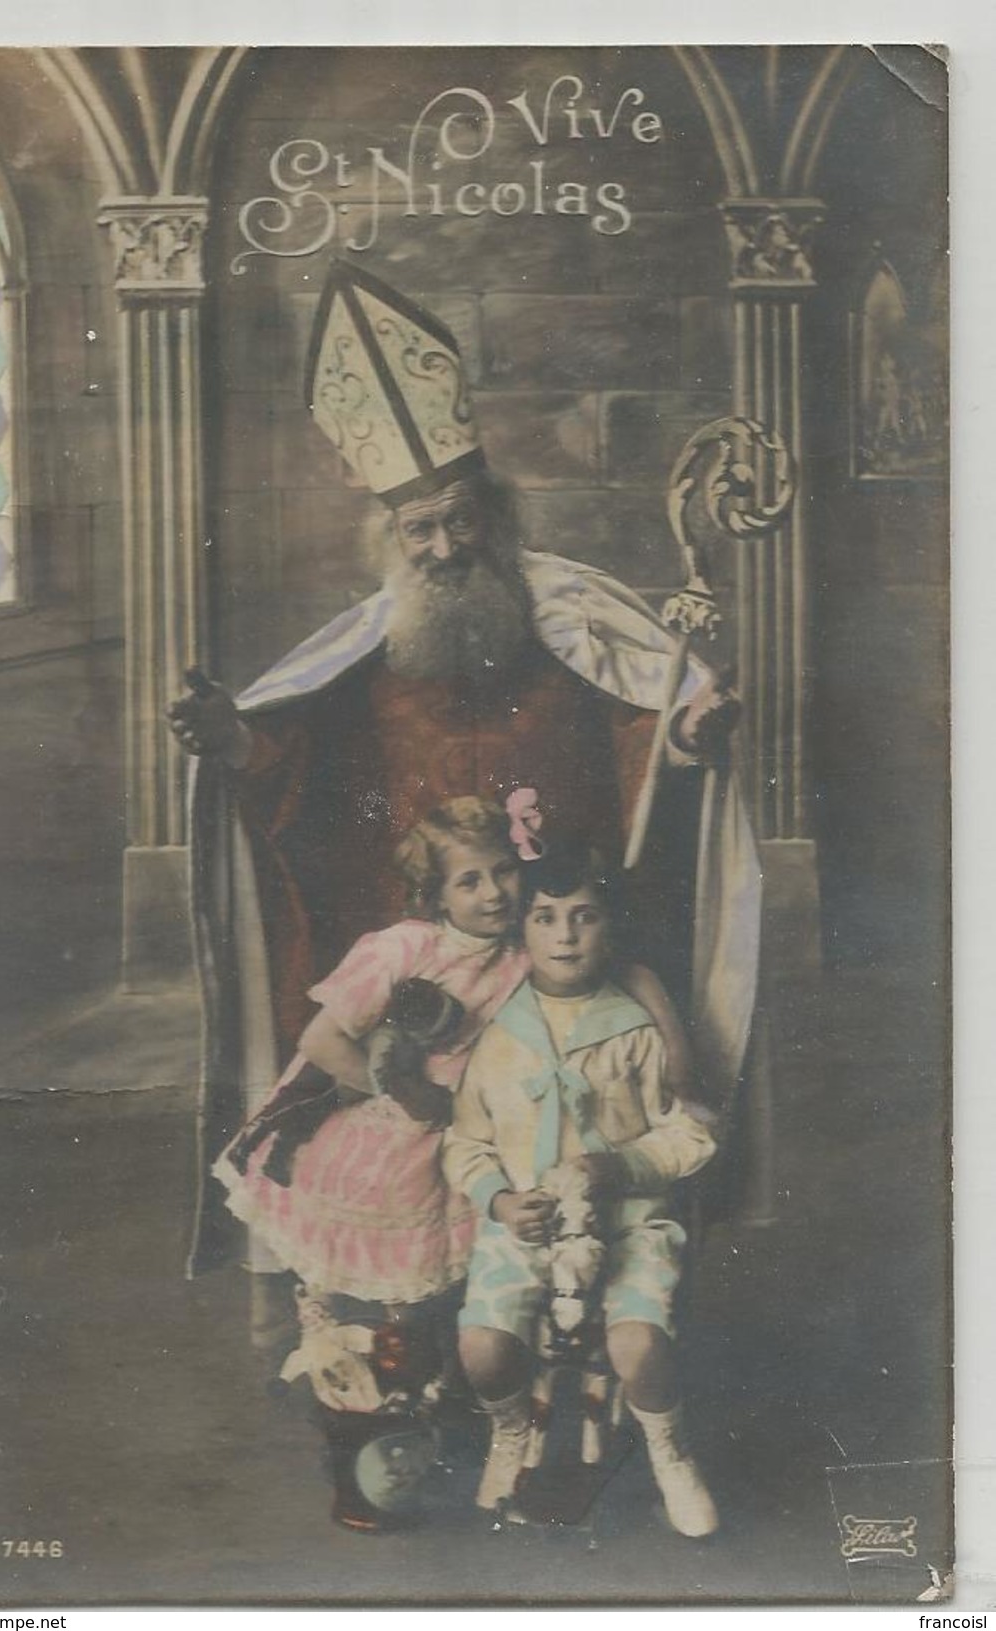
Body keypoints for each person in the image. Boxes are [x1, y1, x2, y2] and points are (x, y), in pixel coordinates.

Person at [171, 260, 759, 1283]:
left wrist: (686, 736)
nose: (443, 545)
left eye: (459, 519)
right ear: (392, 540)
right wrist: (231, 737)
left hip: (558, 936)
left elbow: (634, 724)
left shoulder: (569, 615)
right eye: (420, 529)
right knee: (429, 1139)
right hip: (430, 956)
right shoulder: (375, 646)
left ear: (493, 515)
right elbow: (297, 757)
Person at [443, 845, 719, 1537]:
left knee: (637, 1346)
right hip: (528, 1225)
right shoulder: (498, 1030)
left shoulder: (631, 1028)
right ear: (522, 930)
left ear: (609, 926)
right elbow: (464, 1141)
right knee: (481, 1346)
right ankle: (510, 1430)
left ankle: (669, 1450)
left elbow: (689, 1133)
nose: (564, 935)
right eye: (545, 917)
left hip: (627, 1223)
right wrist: (502, 1202)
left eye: (583, 916)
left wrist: (621, 1166)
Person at [211, 796, 529, 1310]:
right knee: (382, 1281)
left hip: (463, 1126)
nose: (494, 893)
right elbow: (320, 1041)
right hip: (392, 1122)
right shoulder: (406, 948)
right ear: (439, 896)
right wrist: (401, 1094)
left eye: (504, 872)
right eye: (469, 882)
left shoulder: (520, 956)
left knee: (459, 1278)